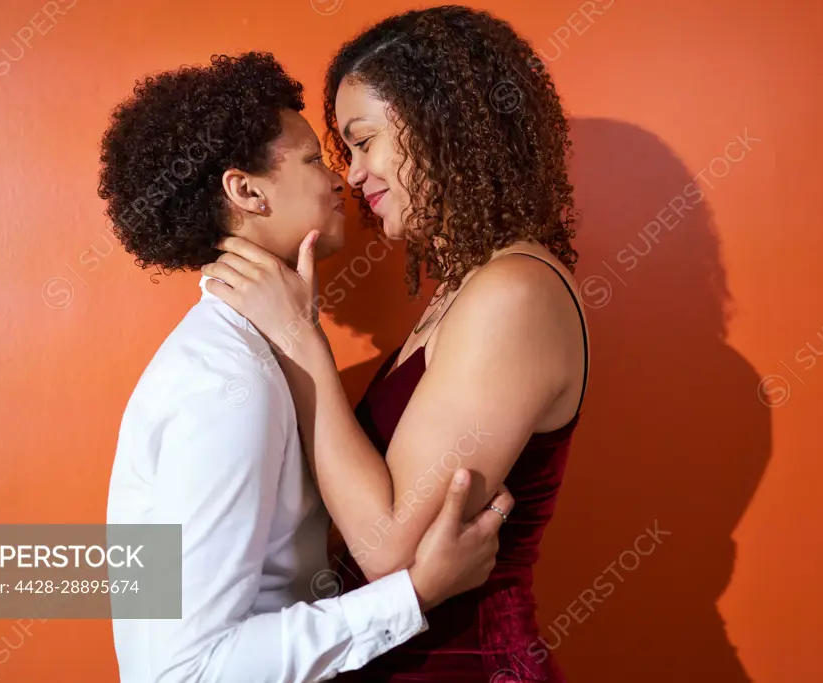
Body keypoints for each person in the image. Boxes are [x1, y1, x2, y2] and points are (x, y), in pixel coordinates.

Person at [99, 51, 514, 683]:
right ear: (247, 190)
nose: (342, 178)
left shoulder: (264, 351)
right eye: (316, 160)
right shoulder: (226, 381)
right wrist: (415, 594)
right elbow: (185, 670)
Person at [202, 6, 589, 682]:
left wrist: (300, 337)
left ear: (443, 127)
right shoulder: (465, 290)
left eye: (364, 141)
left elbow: (386, 546)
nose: (351, 175)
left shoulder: (513, 295)